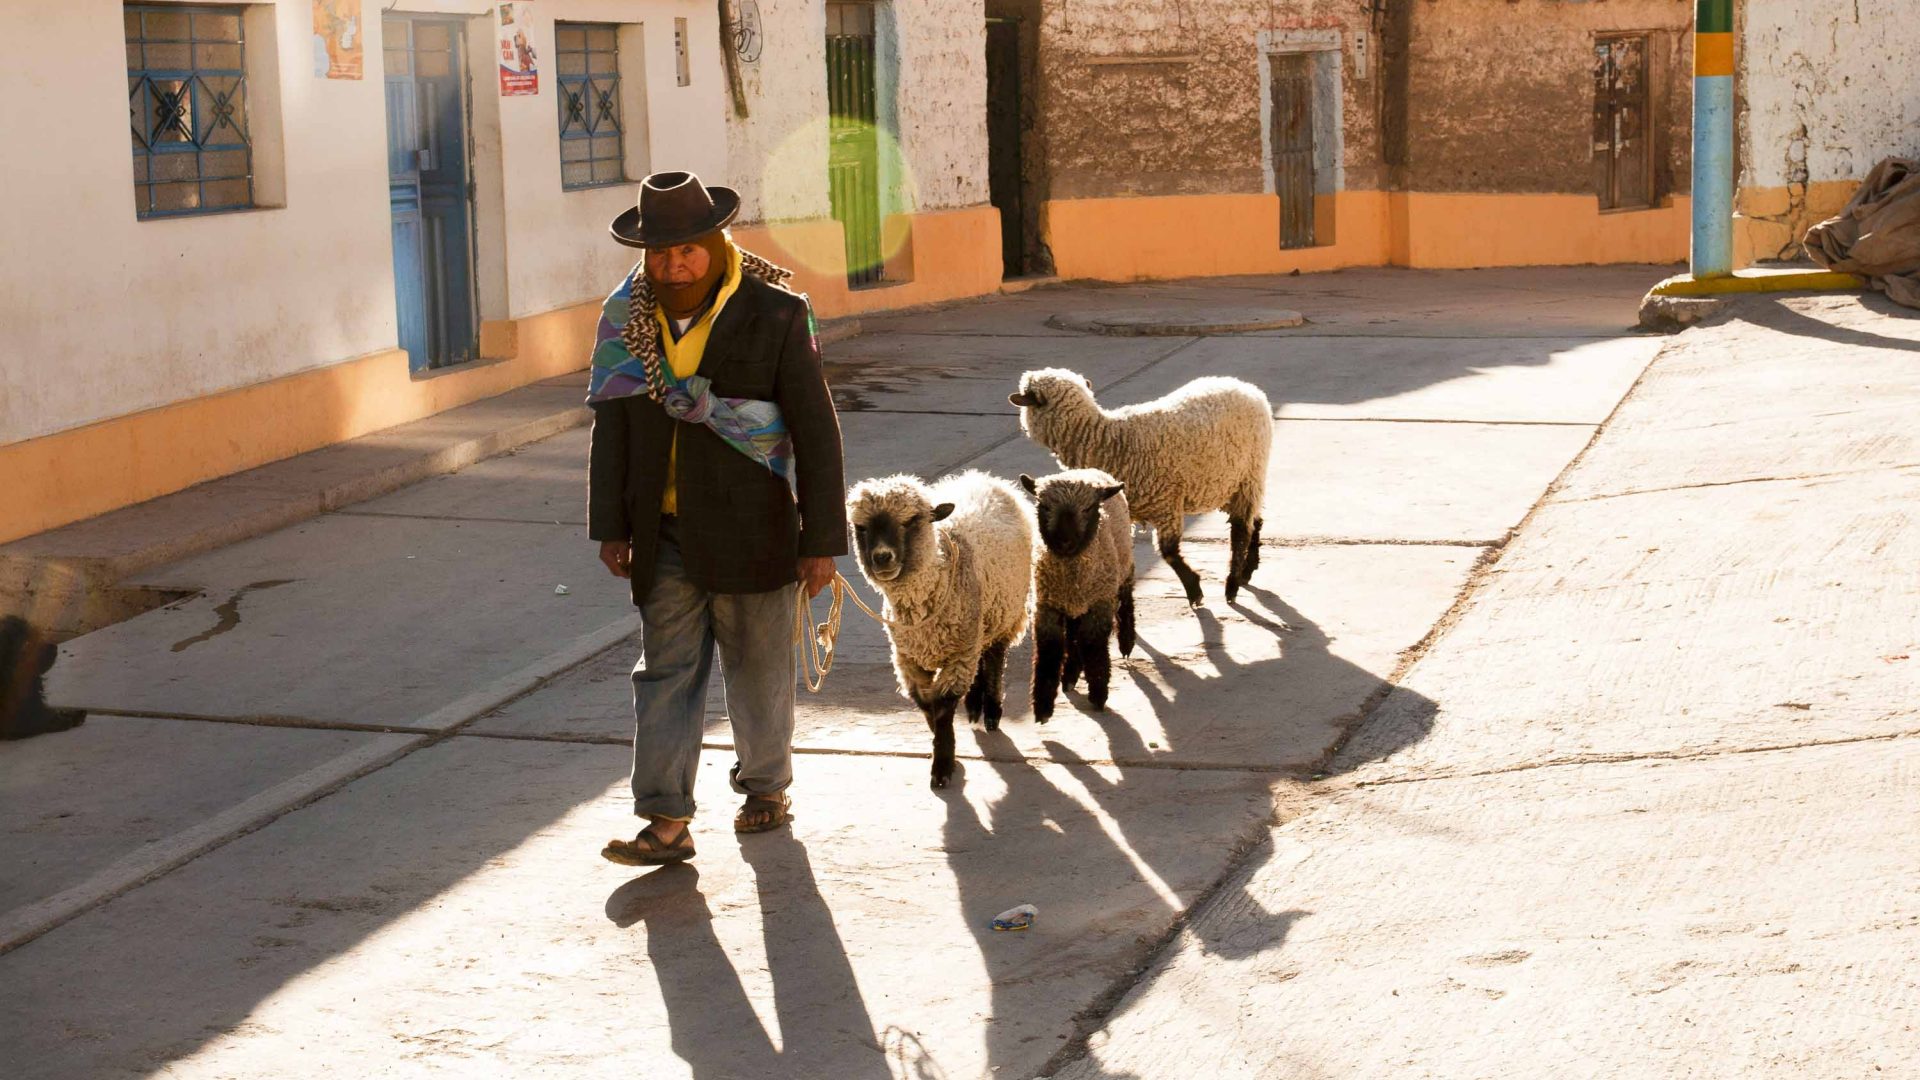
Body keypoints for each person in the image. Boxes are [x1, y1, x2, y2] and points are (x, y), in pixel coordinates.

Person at [587, 172, 845, 865]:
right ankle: (665, 819)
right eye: (660, 255)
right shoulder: (624, 322)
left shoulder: (777, 313)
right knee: (665, 674)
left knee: (759, 672)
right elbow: (611, 428)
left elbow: (815, 431)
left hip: (754, 530)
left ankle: (765, 788)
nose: (673, 267)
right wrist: (611, 524)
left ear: (718, 245)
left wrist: (821, 541)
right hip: (662, 533)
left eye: (688, 252)